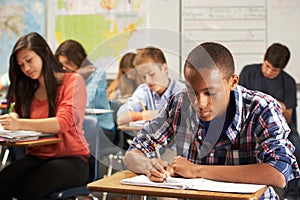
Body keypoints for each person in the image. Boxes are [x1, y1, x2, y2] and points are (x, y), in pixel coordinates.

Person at [123, 42, 300, 199]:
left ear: (233, 82)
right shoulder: (178, 104)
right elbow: (133, 153)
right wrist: (149, 166)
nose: (200, 103)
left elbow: (278, 174)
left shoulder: (262, 108)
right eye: (192, 91)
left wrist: (196, 171)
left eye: (211, 93)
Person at [0, 32, 89, 199]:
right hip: (37, 156)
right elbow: (19, 118)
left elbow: (61, 123)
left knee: (29, 190)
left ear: (45, 53)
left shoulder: (73, 81)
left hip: (71, 159)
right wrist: (15, 119)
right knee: (3, 183)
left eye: (29, 60)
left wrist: (20, 124)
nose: (26, 68)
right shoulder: (27, 88)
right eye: (20, 64)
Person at [239, 43, 300, 199]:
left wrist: (279, 106)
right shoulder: (248, 72)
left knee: (295, 146)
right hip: (251, 125)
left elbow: (288, 118)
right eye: (267, 67)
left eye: (275, 71)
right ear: (264, 57)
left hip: (279, 127)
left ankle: (291, 194)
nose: (269, 72)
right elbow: (238, 105)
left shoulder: (289, 82)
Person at [55, 39, 116, 144]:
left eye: (67, 63)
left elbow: (87, 102)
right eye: (62, 65)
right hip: (76, 126)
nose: (65, 68)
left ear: (78, 59)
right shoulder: (65, 77)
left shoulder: (98, 74)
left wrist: (78, 77)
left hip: (101, 127)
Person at [117, 46, 185, 125]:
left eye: (152, 74)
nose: (148, 81)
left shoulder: (183, 91)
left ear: (165, 68)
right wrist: (146, 115)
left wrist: (159, 115)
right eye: (143, 76)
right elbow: (121, 118)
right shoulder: (144, 90)